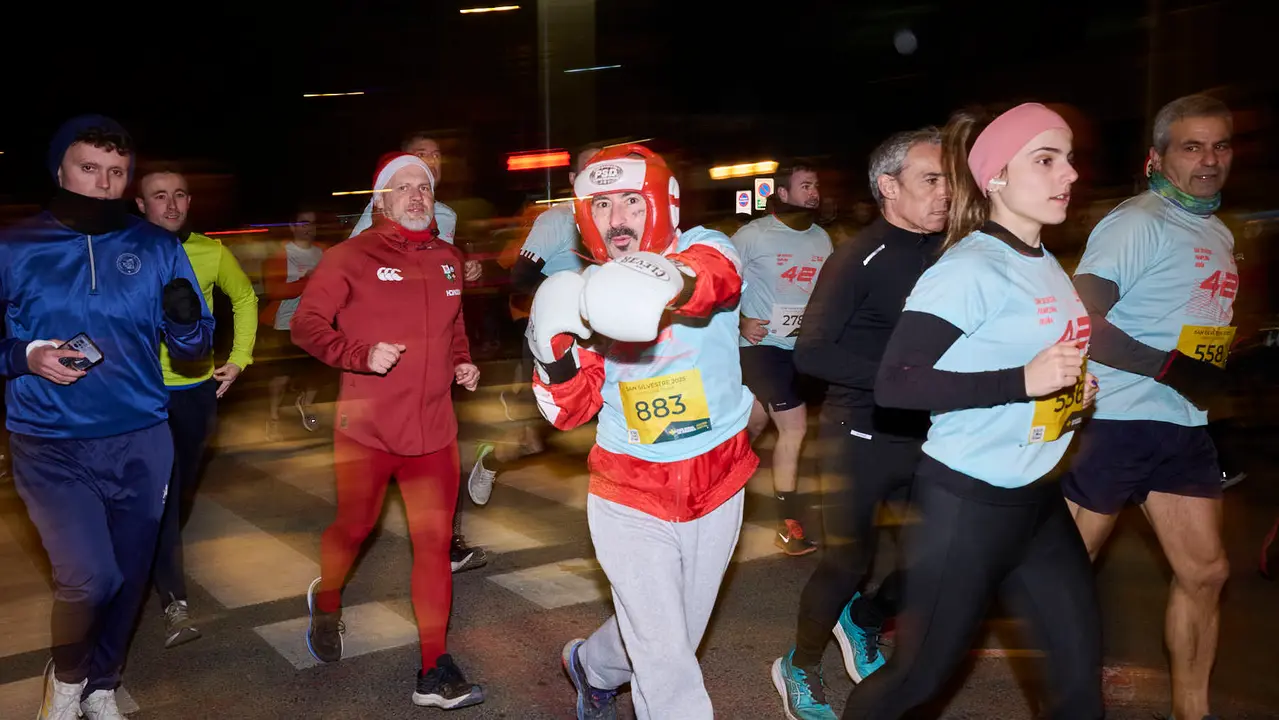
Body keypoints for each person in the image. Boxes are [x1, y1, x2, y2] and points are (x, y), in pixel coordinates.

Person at [845, 104, 1103, 719]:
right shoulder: (970, 267)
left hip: (1037, 502)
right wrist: (1024, 381)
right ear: (997, 177)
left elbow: (1024, 356)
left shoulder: (1043, 261)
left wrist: (1071, 389)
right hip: (966, 506)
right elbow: (896, 384)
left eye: (1068, 159)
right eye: (1045, 160)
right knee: (914, 682)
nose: (1068, 174)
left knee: (1078, 692)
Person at [528, 145, 756, 719]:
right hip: (629, 489)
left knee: (673, 635)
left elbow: (717, 279)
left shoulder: (706, 246)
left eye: (631, 200)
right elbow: (570, 411)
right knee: (667, 662)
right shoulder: (583, 293)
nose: (618, 219)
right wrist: (553, 357)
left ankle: (592, 666)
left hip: (717, 481)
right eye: (602, 205)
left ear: (660, 202)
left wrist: (668, 279)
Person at [0, 115, 214, 720]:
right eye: (89, 168)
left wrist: (185, 320)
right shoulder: (13, 247)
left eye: (116, 172)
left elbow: (195, 348)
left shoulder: (157, 246)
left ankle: (102, 684)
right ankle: (68, 681)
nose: (103, 182)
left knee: (128, 575)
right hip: (50, 442)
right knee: (89, 577)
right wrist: (24, 356)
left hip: (141, 439)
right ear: (59, 169)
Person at [1062, 94, 1238, 720]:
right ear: (1156, 159)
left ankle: (1193, 712)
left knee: (1206, 572)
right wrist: (1170, 366)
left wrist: (1221, 370)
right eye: (1192, 147)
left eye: (1220, 145)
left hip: (1182, 423)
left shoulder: (1217, 230)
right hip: (1115, 419)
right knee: (1063, 573)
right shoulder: (1139, 222)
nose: (1209, 160)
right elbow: (1082, 317)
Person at [291, 152, 484, 710]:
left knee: (433, 546)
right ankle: (328, 600)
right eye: (403, 188)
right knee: (354, 528)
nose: (416, 196)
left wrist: (462, 362)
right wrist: (358, 354)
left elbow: (454, 326)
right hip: (367, 431)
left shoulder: (448, 258)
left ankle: (433, 667)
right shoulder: (349, 257)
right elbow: (306, 325)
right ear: (380, 200)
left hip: (434, 432)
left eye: (424, 187)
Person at [773, 128, 949, 719]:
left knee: (940, 557)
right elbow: (811, 353)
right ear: (889, 187)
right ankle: (800, 664)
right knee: (847, 563)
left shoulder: (953, 252)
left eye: (949, 179)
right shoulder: (857, 258)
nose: (945, 192)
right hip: (859, 434)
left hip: (931, 435)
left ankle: (866, 618)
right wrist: (900, 379)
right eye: (931, 179)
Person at [136, 167, 258, 649]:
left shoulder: (212, 251)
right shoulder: (125, 254)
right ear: (140, 205)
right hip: (142, 395)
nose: (171, 205)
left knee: (178, 494)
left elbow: (244, 297)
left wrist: (240, 358)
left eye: (180, 195)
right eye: (159, 196)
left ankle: (154, 560)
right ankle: (174, 601)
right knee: (160, 495)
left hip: (195, 392)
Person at [466, 145, 602, 508]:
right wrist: (566, 296)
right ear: (573, 179)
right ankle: (492, 460)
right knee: (535, 438)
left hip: (607, 343)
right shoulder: (557, 221)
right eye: (591, 168)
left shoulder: (622, 220)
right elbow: (520, 278)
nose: (601, 175)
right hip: (554, 341)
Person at [731, 162, 832, 555]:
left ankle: (714, 473)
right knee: (794, 428)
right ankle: (788, 527)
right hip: (761, 348)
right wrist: (740, 322)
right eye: (805, 185)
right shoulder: (752, 236)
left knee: (753, 426)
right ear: (783, 194)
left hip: (800, 350)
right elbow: (718, 284)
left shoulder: (821, 238)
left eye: (816, 185)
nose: (814, 192)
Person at [260, 209, 329, 440]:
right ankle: (273, 418)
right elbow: (275, 290)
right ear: (292, 226)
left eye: (313, 223)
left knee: (318, 372)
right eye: (303, 223)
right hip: (285, 324)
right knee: (281, 377)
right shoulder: (282, 255)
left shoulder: (324, 252)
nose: (309, 227)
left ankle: (306, 404)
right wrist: (309, 280)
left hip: (317, 324)